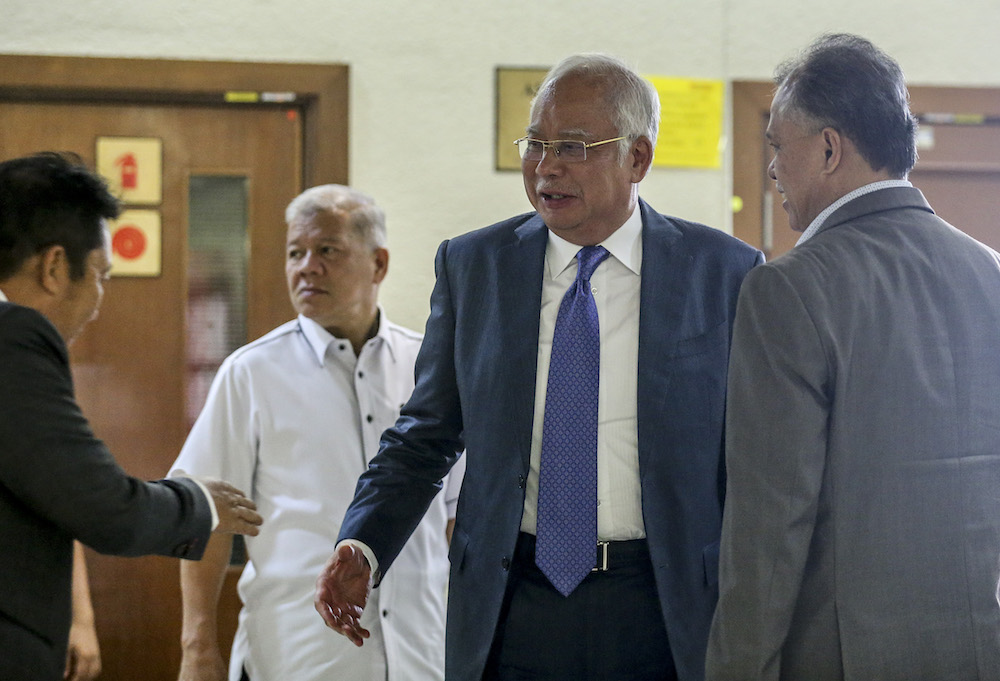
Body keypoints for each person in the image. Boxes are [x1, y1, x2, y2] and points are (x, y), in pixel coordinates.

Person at [315, 54, 763, 681]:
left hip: (664, 604)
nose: (546, 166)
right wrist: (363, 540)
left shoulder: (724, 273)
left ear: (638, 158)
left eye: (574, 147)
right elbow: (425, 436)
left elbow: (753, 458)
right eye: (535, 144)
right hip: (512, 603)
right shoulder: (475, 267)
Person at [705, 33, 1000, 680]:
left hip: (841, 656)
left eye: (778, 146)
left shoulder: (788, 289)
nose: (774, 168)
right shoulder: (990, 273)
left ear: (830, 148)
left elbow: (768, 533)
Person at [171, 184, 462, 681]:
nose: (306, 266)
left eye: (327, 250)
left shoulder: (429, 368)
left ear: (379, 264)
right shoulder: (251, 373)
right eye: (294, 253)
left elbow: (455, 517)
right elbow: (208, 518)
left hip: (422, 653)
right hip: (298, 656)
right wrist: (197, 647)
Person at [0, 151, 263, 681]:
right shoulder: (15, 339)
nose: (98, 300)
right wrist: (202, 503)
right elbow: (102, 507)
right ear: (53, 267)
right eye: (99, 275)